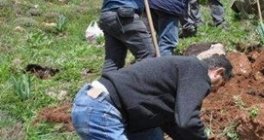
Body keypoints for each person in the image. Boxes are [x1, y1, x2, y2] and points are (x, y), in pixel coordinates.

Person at [71, 54, 233, 139]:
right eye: (221, 84)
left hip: (98, 104)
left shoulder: (181, 74)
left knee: (153, 135)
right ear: (218, 73)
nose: (216, 90)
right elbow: (187, 121)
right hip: (101, 108)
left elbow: (173, 123)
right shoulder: (197, 70)